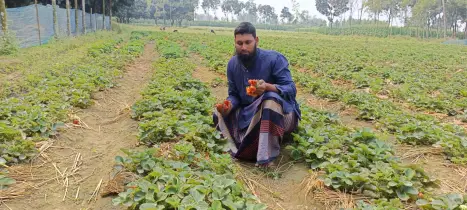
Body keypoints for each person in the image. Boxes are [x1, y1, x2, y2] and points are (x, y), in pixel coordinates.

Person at [213, 22, 301, 167]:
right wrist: (229, 106)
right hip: (251, 113)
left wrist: (268, 87)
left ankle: (265, 157)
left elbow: (291, 89)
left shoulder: (274, 59)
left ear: (256, 41)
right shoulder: (232, 65)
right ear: (234, 43)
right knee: (218, 113)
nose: (244, 47)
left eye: (248, 42)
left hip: (282, 115)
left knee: (269, 101)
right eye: (239, 43)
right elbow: (234, 95)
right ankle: (238, 146)